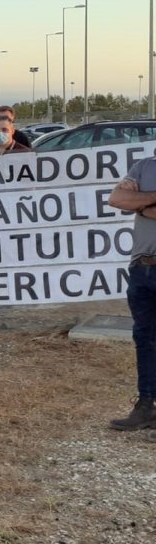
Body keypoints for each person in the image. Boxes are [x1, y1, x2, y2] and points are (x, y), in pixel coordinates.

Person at [106, 158, 156, 438]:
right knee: (145, 339)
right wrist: (149, 202)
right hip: (142, 267)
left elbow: (131, 201)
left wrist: (140, 203)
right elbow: (117, 198)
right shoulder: (144, 167)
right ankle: (147, 405)